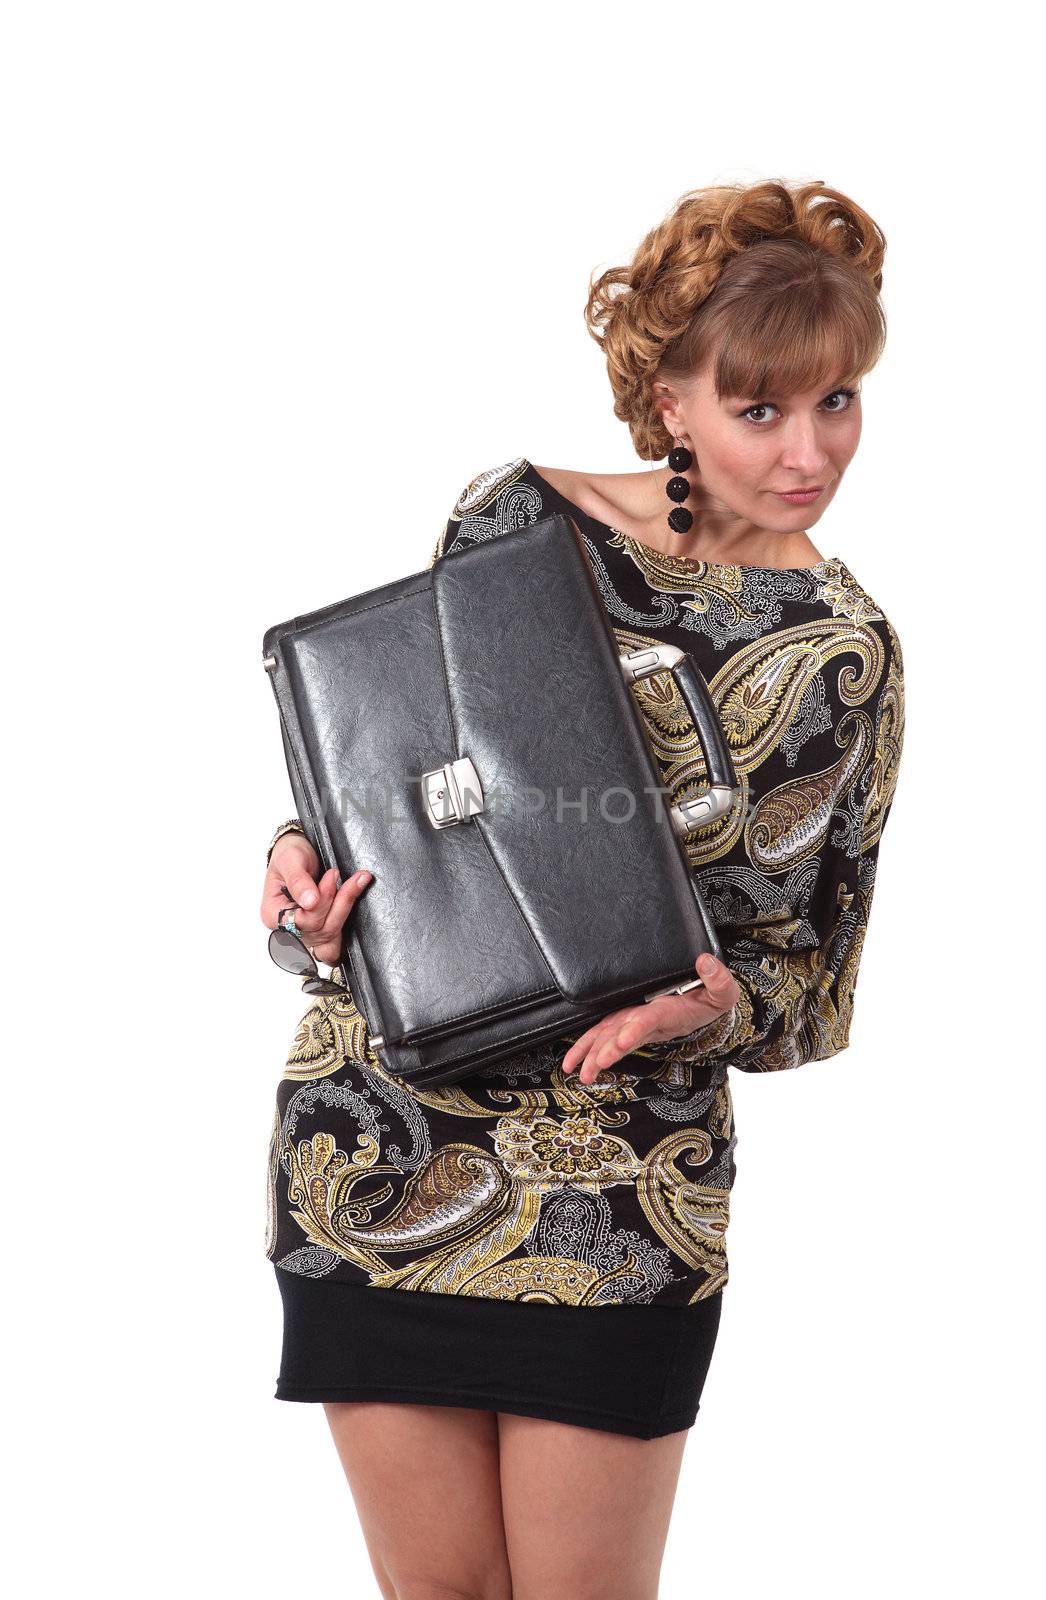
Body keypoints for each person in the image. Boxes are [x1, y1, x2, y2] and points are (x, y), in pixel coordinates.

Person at [260, 177, 905, 1600]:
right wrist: (295, 869)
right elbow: (406, 796)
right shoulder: (511, 519)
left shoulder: (844, 652)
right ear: (669, 400)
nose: (810, 452)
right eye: (760, 410)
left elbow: (810, 993)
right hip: (381, 1138)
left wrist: (713, 1014)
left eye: (838, 402)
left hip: (623, 1188)